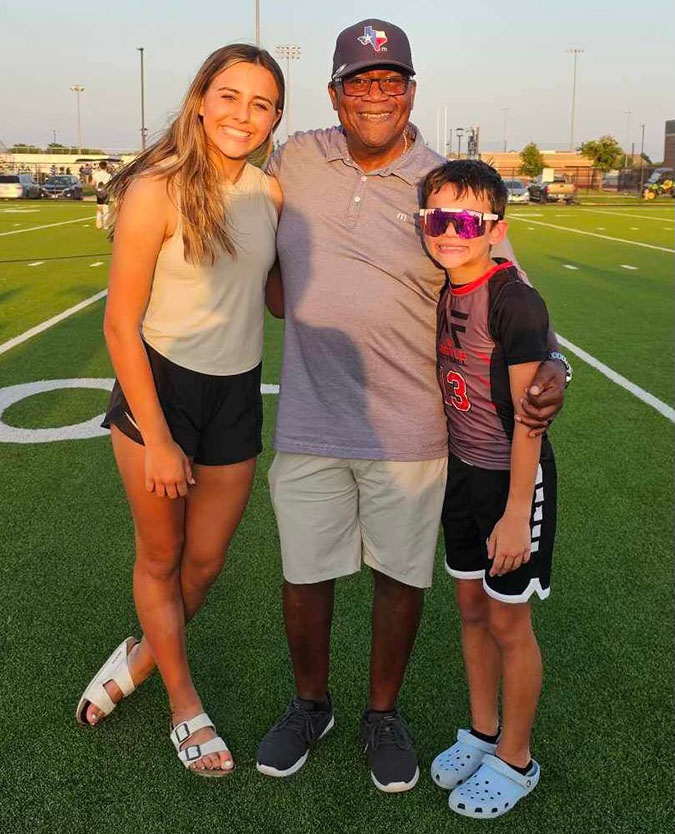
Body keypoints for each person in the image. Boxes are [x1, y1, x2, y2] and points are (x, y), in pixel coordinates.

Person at [255, 19, 570, 793]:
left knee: (400, 578)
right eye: (359, 81)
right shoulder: (295, 157)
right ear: (333, 91)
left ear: (411, 91)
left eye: (389, 81)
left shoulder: (442, 184)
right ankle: (309, 704)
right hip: (308, 416)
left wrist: (554, 361)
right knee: (305, 573)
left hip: (414, 427)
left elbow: (510, 287)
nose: (375, 95)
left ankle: (381, 713)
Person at [75, 44, 285, 777]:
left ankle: (134, 661)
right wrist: (159, 439)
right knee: (161, 559)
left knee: (205, 565)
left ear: (275, 119)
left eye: (260, 103)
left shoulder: (271, 194)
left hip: (236, 392)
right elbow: (118, 324)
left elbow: (282, 298)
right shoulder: (156, 189)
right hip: (158, 391)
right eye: (229, 96)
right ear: (201, 100)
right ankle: (182, 704)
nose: (242, 114)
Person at [420, 160, 562, 817]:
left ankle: (516, 756)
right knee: (472, 611)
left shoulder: (512, 299)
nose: (447, 232)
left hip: (512, 481)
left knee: (509, 622)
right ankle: (481, 732)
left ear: (494, 229)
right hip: (463, 474)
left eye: (464, 221)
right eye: (435, 219)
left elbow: (529, 420)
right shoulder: (446, 288)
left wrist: (514, 514)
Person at [92, 161, 113, 229]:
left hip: (99, 191)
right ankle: (106, 225)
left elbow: (92, 183)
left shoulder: (96, 174)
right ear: (106, 166)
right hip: (106, 192)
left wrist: (94, 189)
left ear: (100, 166)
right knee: (105, 207)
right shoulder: (109, 175)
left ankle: (98, 223)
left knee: (99, 207)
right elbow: (111, 184)